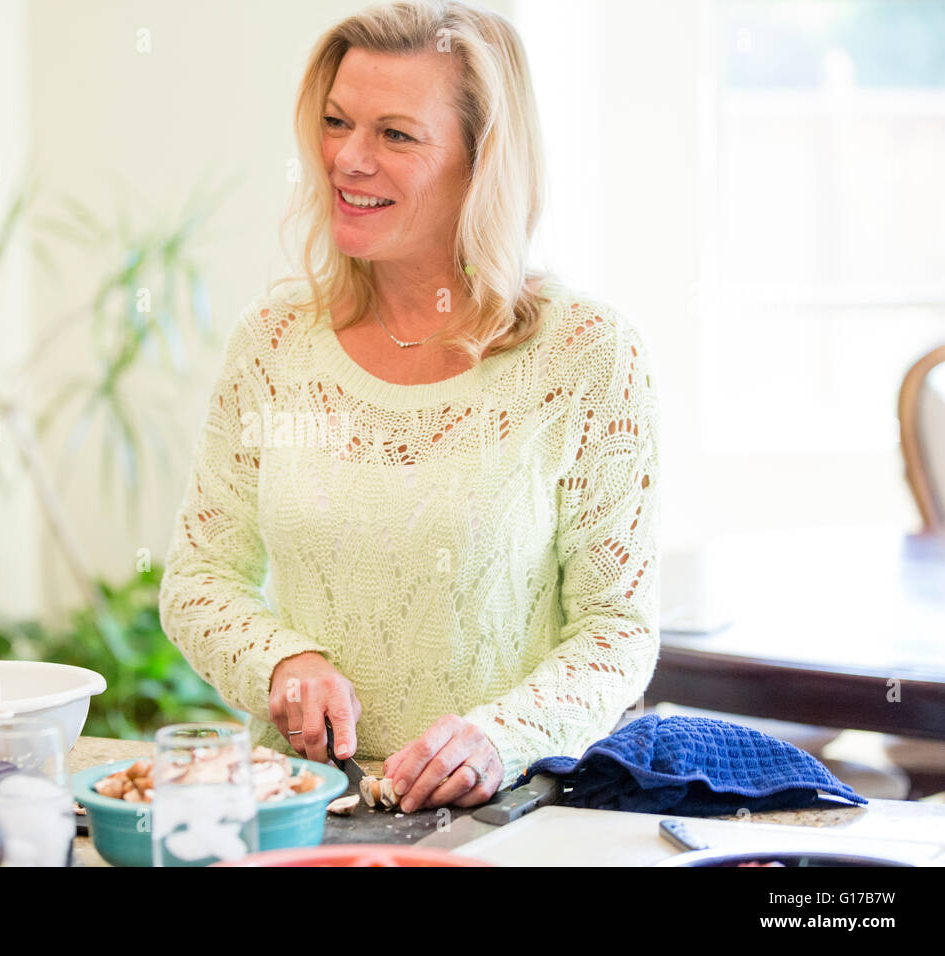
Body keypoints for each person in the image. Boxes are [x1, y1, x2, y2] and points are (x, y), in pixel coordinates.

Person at [159, 0, 660, 813]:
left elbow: (616, 631)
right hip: (297, 814)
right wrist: (284, 663)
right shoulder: (275, 340)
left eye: (396, 134)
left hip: (510, 820)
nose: (347, 159)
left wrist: (501, 736)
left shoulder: (588, 355)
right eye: (335, 122)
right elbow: (199, 577)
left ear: (483, 160)